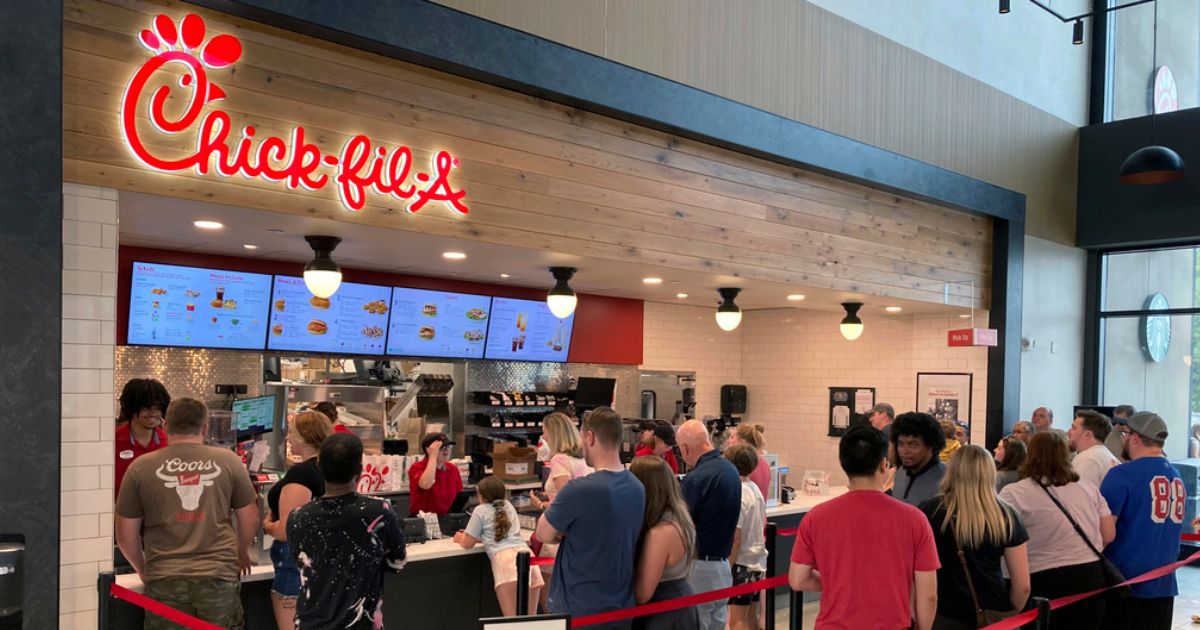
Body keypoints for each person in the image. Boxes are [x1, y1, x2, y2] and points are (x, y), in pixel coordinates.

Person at [115, 398, 258, 630]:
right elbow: (250, 519)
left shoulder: (140, 467)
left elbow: (125, 535)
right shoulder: (229, 461)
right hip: (218, 577)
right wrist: (240, 552)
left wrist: (142, 568)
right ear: (204, 428)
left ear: (165, 425)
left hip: (164, 579)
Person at [789, 426, 938, 630]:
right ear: (884, 465)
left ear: (843, 465)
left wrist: (838, 582)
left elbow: (798, 580)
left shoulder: (816, 517)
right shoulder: (914, 519)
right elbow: (928, 594)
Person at [535, 406, 645, 626]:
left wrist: (564, 532)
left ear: (590, 437)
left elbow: (543, 533)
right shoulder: (637, 487)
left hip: (580, 608)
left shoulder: (579, 490)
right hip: (621, 606)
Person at [287, 433, 407, 629]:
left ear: (319, 467)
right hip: (360, 624)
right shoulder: (378, 511)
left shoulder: (298, 516)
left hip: (310, 623)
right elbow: (398, 561)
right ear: (360, 470)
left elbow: (299, 561)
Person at [998, 431, 1115, 629]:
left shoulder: (1015, 493)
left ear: (1031, 455)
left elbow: (999, 539)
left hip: (1042, 580)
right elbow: (1109, 534)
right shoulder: (1088, 488)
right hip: (1091, 577)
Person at [918, 446, 1030, 630]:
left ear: (952, 471)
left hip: (944, 612)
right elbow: (1023, 585)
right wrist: (1009, 614)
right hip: (991, 610)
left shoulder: (929, 510)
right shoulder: (1007, 515)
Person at [1100, 411, 1186, 630]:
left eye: (1124, 434)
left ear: (1135, 437)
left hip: (1125, 582)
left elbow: (1104, 532)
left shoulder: (1122, 474)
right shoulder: (1176, 475)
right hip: (1164, 583)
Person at [261, 411, 331, 630]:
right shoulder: (331, 469)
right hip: (322, 561)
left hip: (293, 565)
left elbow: (286, 530)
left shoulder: (302, 474)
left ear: (304, 436)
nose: (288, 438)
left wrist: (267, 526)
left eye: (291, 432)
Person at [677, 420, 742, 630]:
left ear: (685, 448)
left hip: (698, 569)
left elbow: (680, 525)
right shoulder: (731, 471)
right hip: (722, 567)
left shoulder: (696, 480)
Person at [454, 476, 543, 617]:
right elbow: (501, 534)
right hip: (528, 558)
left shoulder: (480, 510)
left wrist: (460, 538)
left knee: (511, 621)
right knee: (530, 620)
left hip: (506, 563)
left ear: (481, 496)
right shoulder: (508, 506)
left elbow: (467, 543)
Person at [530, 411, 592, 609]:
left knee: (550, 603)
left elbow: (567, 500)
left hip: (557, 537)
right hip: (579, 535)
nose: (543, 437)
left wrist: (540, 505)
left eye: (545, 432)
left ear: (555, 433)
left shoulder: (559, 460)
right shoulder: (583, 460)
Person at [629, 456, 699, 630]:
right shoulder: (680, 515)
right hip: (680, 606)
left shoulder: (661, 531)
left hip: (664, 612)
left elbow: (643, 594)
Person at [724, 444, 767, 630]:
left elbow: (736, 538)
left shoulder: (738, 493)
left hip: (740, 564)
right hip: (756, 562)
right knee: (751, 617)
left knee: (737, 620)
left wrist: (728, 567)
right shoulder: (754, 489)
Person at [114, 378, 171, 494]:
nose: (153, 413)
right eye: (146, 408)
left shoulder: (168, 442)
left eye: (158, 408)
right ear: (131, 409)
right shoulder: (113, 442)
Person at [891, 412, 947, 506]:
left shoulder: (947, 478)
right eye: (901, 444)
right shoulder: (900, 473)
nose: (904, 451)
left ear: (931, 446)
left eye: (913, 445)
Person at [407, 432, 463, 516]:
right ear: (428, 450)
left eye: (448, 446)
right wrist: (432, 456)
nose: (446, 449)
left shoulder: (453, 469)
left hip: (444, 517)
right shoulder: (417, 467)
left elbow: (459, 496)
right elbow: (426, 484)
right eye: (441, 447)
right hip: (421, 518)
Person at [1067, 409, 1120, 489]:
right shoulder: (1106, 455)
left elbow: (1080, 498)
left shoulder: (1087, 459)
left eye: (1074, 428)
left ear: (1087, 434)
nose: (1068, 432)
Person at [726, 423, 770, 499]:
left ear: (742, 442)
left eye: (732, 437)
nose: (728, 441)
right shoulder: (764, 464)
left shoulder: (744, 465)